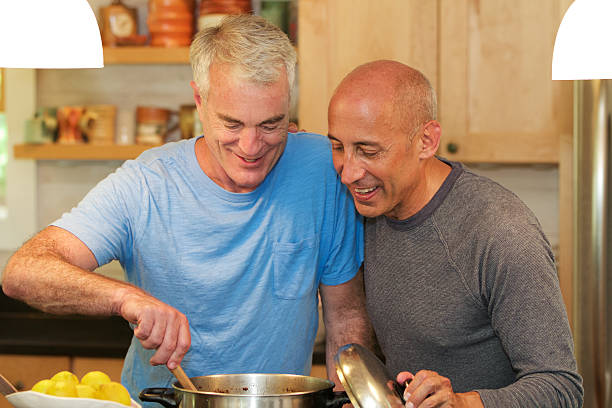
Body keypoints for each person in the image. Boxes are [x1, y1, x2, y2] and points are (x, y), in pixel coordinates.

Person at [1, 15, 374, 404]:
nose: (250, 146)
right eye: (232, 123)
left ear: (288, 106)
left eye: (270, 124)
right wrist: (125, 298)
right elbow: (24, 271)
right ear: (199, 101)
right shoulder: (146, 184)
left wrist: (350, 399)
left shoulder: (322, 170)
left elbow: (345, 317)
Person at [326, 60, 583, 407]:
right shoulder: (370, 208)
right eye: (338, 147)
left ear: (427, 141)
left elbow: (562, 388)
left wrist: (462, 403)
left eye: (369, 151)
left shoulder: (502, 233)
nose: (348, 173)